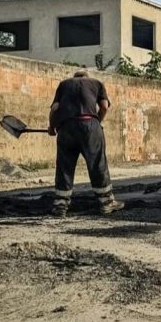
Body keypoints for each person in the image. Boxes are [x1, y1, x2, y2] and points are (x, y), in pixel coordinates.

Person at [48, 69, 124, 217]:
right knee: (97, 163)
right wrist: (97, 122)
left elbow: (55, 109)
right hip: (90, 126)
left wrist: (52, 127)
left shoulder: (64, 84)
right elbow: (104, 106)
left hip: (66, 127)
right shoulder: (97, 83)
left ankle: (60, 205)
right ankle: (106, 203)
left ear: (74, 77)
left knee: (64, 165)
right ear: (86, 77)